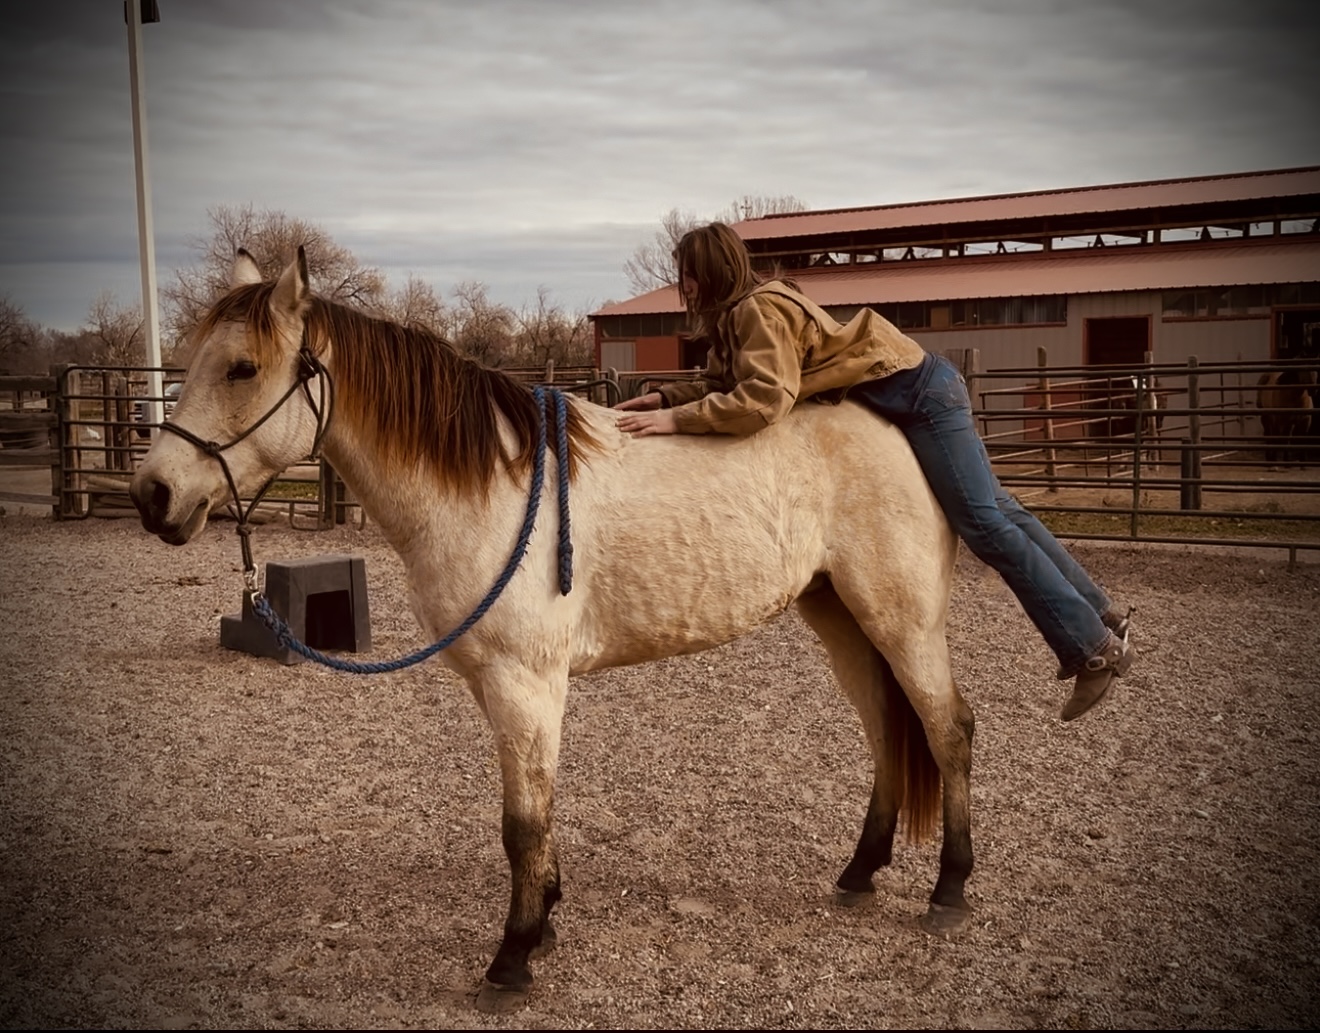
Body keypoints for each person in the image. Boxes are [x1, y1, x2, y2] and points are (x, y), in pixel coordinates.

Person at [616, 222, 1133, 721]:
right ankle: (1100, 613)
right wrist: (666, 397)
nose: (684, 285)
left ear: (712, 271)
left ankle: (1093, 648)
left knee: (984, 523)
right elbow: (725, 381)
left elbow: (764, 399)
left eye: (689, 273)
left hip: (919, 396)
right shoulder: (741, 314)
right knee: (1002, 511)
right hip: (917, 389)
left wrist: (676, 420)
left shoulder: (758, 310)